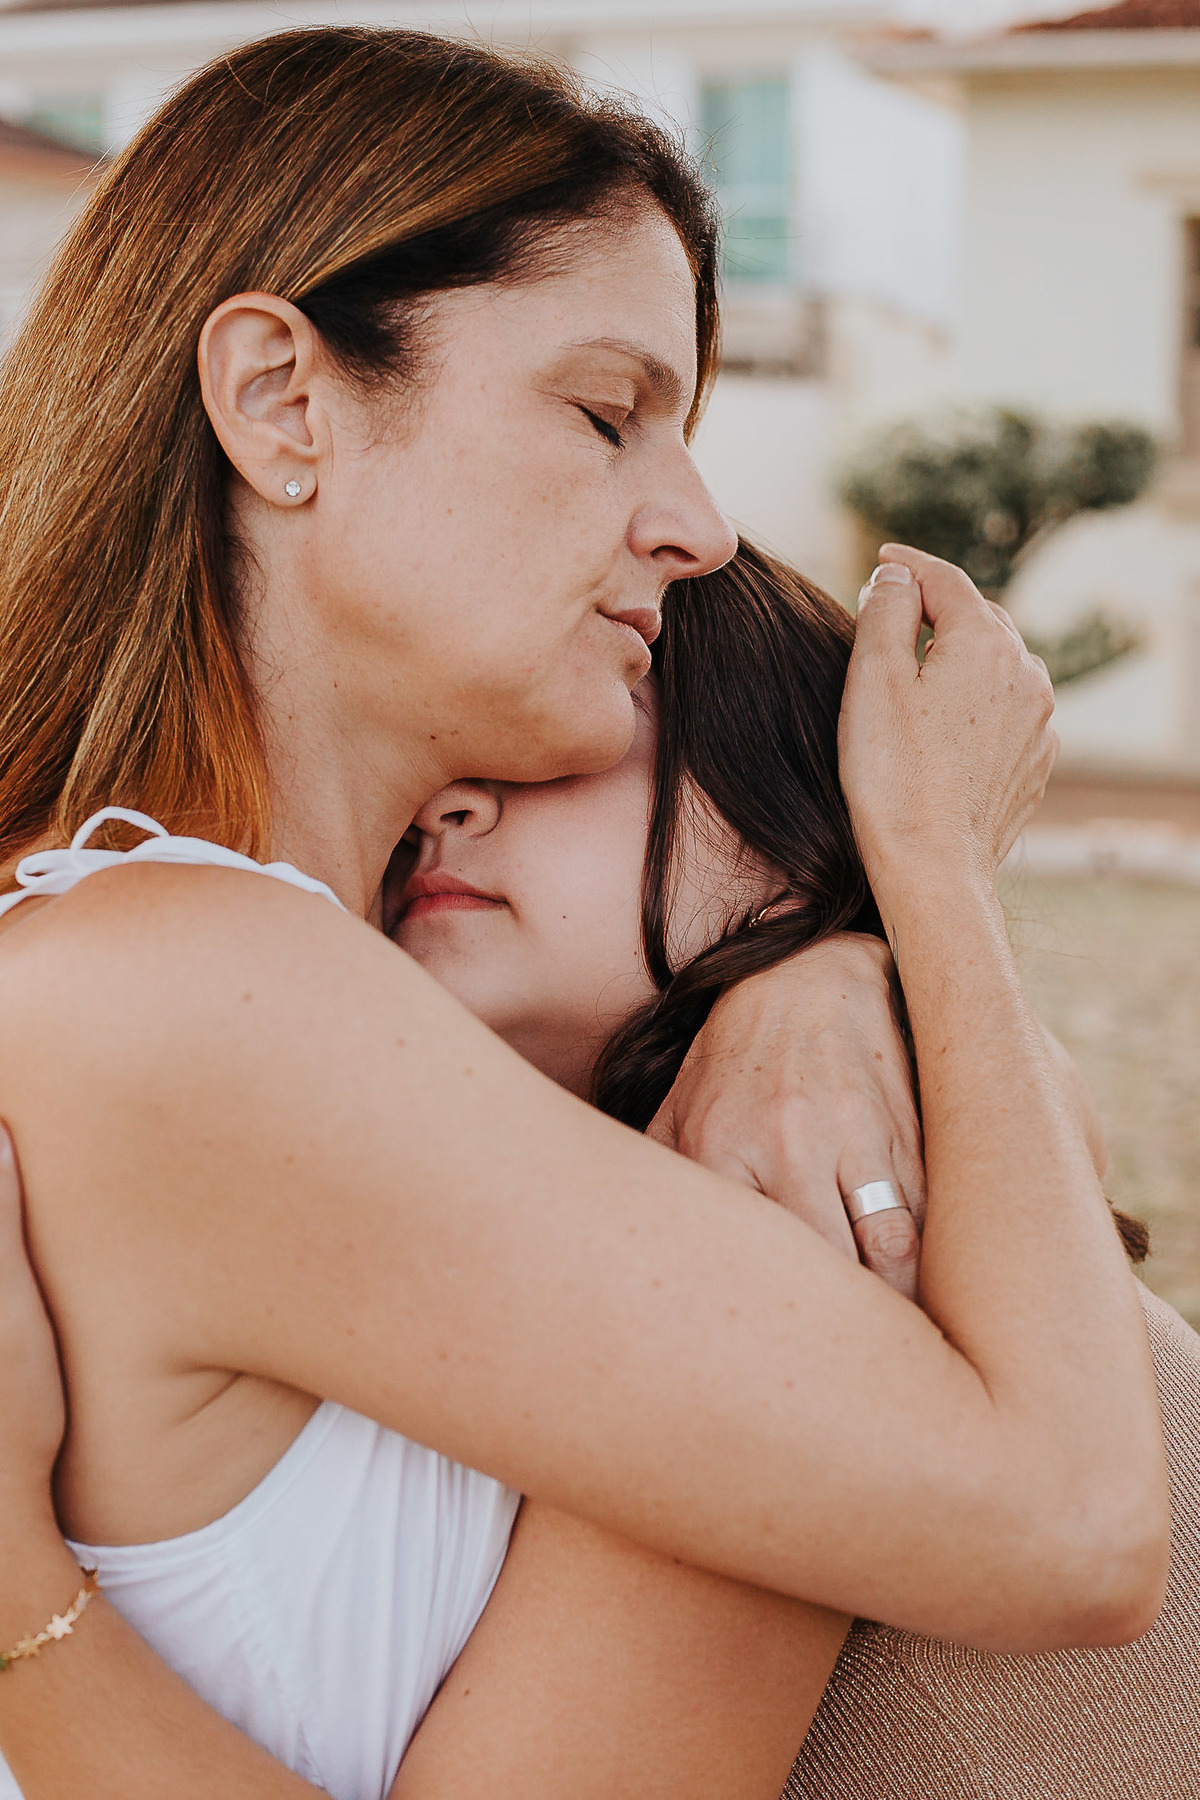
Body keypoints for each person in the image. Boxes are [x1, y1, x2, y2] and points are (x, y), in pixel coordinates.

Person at [0, 25, 1169, 1800]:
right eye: (605, 413)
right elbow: (1071, 1522)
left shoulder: (316, 1014)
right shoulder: (178, 988)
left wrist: (830, 972)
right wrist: (929, 868)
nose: (698, 525)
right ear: (284, 402)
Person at [0, 541, 1193, 1800]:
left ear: (804, 827)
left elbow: (1082, 1524)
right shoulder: (391, 1160)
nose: (446, 810)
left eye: (568, 755)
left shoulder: (810, 1206)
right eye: (443, 764)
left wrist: (18, 1592)